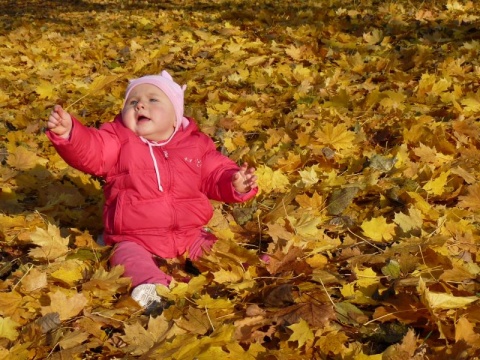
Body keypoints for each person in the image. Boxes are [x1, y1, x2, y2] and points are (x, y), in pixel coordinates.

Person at [46, 70, 258, 314]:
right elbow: (93, 150)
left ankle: (245, 269)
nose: (140, 105)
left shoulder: (195, 145)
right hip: (134, 236)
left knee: (215, 249)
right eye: (133, 102)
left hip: (189, 233)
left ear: (175, 117)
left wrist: (235, 183)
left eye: (153, 99)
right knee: (126, 257)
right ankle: (151, 288)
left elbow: (215, 173)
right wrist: (70, 133)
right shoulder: (118, 140)